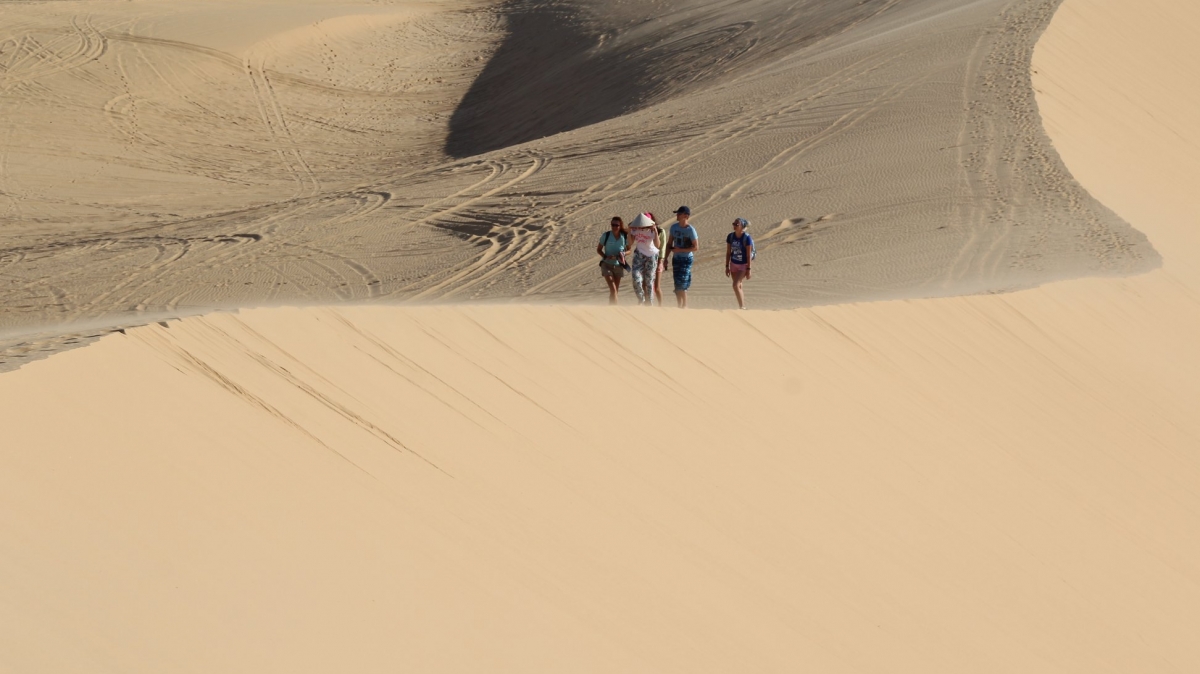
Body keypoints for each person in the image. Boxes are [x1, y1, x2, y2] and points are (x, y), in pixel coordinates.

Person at [664, 206, 699, 308]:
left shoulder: (691, 230)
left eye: (679, 214)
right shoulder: (674, 227)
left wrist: (680, 250)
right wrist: (665, 258)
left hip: (686, 259)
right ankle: (679, 305)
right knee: (677, 282)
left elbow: (696, 247)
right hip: (676, 258)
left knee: (683, 282)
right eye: (677, 213)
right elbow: (669, 244)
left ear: (686, 216)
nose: (677, 215)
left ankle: (685, 306)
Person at [627, 212, 660, 305]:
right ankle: (641, 299)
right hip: (639, 254)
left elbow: (658, 245)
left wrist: (656, 232)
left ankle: (650, 303)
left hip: (652, 256)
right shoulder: (635, 229)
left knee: (649, 281)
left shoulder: (651, 231)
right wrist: (629, 230)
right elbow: (630, 243)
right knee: (636, 277)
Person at [596, 216, 628, 304]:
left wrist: (623, 254)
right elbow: (599, 249)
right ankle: (615, 310)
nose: (614, 227)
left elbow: (629, 250)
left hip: (618, 265)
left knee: (615, 291)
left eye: (616, 225)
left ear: (620, 225)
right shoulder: (606, 235)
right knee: (613, 290)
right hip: (607, 265)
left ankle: (611, 308)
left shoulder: (624, 237)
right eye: (612, 225)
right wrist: (605, 256)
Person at [725, 217, 755, 309]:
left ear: (742, 226)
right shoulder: (730, 236)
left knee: (735, 285)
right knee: (739, 285)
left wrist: (749, 269)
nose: (734, 225)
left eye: (736, 224)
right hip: (733, 264)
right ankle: (741, 306)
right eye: (733, 223)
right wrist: (727, 266)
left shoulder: (747, 238)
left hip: (743, 265)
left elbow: (748, 255)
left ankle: (742, 307)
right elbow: (728, 252)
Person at [649, 212, 666, 306]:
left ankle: (660, 306)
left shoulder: (660, 231)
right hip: (647, 260)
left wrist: (661, 261)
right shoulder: (644, 230)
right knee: (648, 285)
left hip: (658, 260)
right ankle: (649, 304)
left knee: (656, 286)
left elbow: (662, 247)